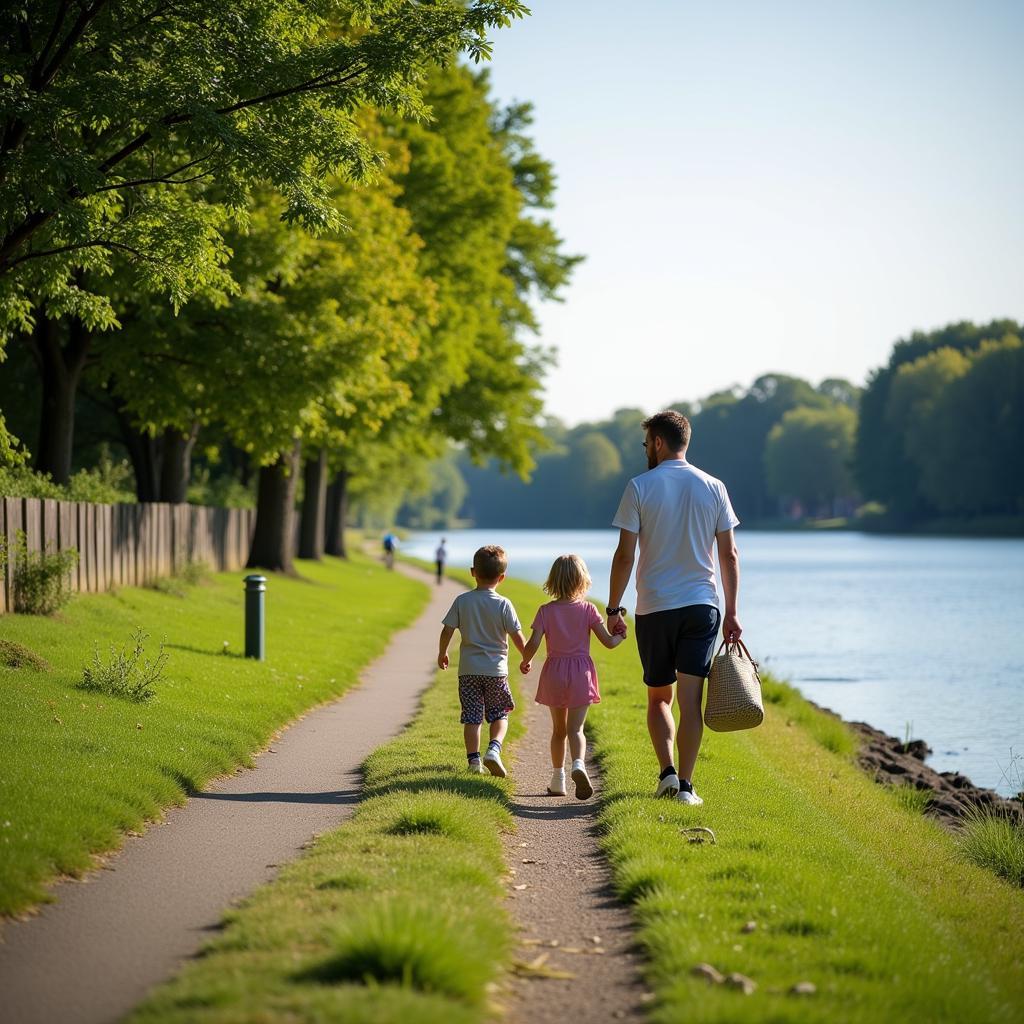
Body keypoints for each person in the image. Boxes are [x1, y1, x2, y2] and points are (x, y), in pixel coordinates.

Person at [607, 410, 741, 807]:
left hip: (654, 608)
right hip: (702, 607)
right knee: (690, 701)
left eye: (647, 442)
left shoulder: (639, 487)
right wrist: (732, 612)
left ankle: (666, 773)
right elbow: (729, 554)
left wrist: (614, 608)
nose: (646, 449)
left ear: (659, 442)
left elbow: (623, 556)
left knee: (658, 698)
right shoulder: (714, 486)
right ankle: (685, 787)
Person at [520, 554, 625, 800]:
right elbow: (609, 642)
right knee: (576, 729)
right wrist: (621, 635)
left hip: (555, 672)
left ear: (553, 581)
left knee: (558, 731)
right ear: (582, 580)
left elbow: (533, 643)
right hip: (581, 673)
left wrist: (526, 660)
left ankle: (558, 780)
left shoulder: (545, 611)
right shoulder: (588, 609)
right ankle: (578, 763)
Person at [438, 545, 528, 778]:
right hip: (496, 672)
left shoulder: (463, 601)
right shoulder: (504, 604)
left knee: (472, 716)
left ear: (472, 572)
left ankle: (474, 762)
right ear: (502, 577)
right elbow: (517, 636)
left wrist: (443, 653)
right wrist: (526, 657)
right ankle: (494, 749)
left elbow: (447, 630)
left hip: (468, 670)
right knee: (500, 714)